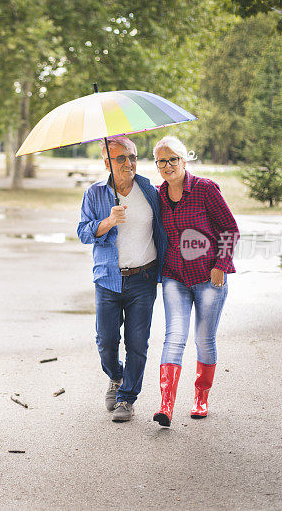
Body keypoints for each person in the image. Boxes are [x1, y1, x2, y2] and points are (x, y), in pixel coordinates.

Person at [77, 136, 167, 423]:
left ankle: (127, 398)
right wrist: (108, 222)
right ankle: (115, 377)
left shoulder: (149, 190)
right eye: (120, 158)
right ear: (107, 163)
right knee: (106, 341)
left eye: (132, 156)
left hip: (143, 277)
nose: (128, 163)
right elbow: (83, 232)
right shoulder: (94, 194)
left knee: (138, 342)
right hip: (108, 279)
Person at [151, 135, 239, 427]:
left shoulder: (205, 189)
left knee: (204, 338)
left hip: (208, 276)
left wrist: (222, 264)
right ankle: (166, 405)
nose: (167, 165)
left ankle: (201, 397)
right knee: (174, 336)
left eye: (172, 159)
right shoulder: (158, 196)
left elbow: (230, 228)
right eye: (162, 161)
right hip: (175, 276)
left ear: (184, 160)